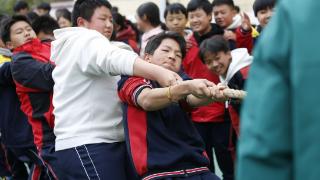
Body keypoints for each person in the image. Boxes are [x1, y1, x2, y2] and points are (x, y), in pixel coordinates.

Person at [51, 0, 181, 179]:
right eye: (102, 18)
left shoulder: (100, 48)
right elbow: (114, 58)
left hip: (103, 144)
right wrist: (159, 73)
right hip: (89, 144)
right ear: (82, 23)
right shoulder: (82, 39)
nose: (108, 25)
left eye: (111, 20)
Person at [118, 31, 224, 180]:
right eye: (166, 50)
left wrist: (213, 95)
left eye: (178, 54)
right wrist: (187, 87)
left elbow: (192, 99)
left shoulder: (181, 80)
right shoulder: (132, 79)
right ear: (146, 58)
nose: (172, 56)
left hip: (199, 169)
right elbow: (146, 100)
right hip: (160, 173)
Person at [236, 0, 320, 179]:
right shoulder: (283, 26)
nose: (268, 15)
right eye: (262, 11)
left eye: (272, 9)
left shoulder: (295, 16)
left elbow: (265, 139)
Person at [1, 15, 58, 179]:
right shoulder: (18, 62)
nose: (26, 33)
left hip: (65, 128)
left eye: (28, 29)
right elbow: (54, 75)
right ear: (9, 44)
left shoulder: (48, 47)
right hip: (40, 135)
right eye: (19, 32)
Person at [185, 0, 235, 178]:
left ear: (209, 15)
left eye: (199, 15)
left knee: (227, 160)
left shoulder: (225, 38)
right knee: (203, 162)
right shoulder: (186, 45)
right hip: (197, 114)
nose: (195, 20)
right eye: (191, 17)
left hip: (222, 112)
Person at [200, 35, 252, 136]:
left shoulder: (245, 73)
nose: (215, 64)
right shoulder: (228, 78)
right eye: (209, 62)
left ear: (228, 53)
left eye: (217, 58)